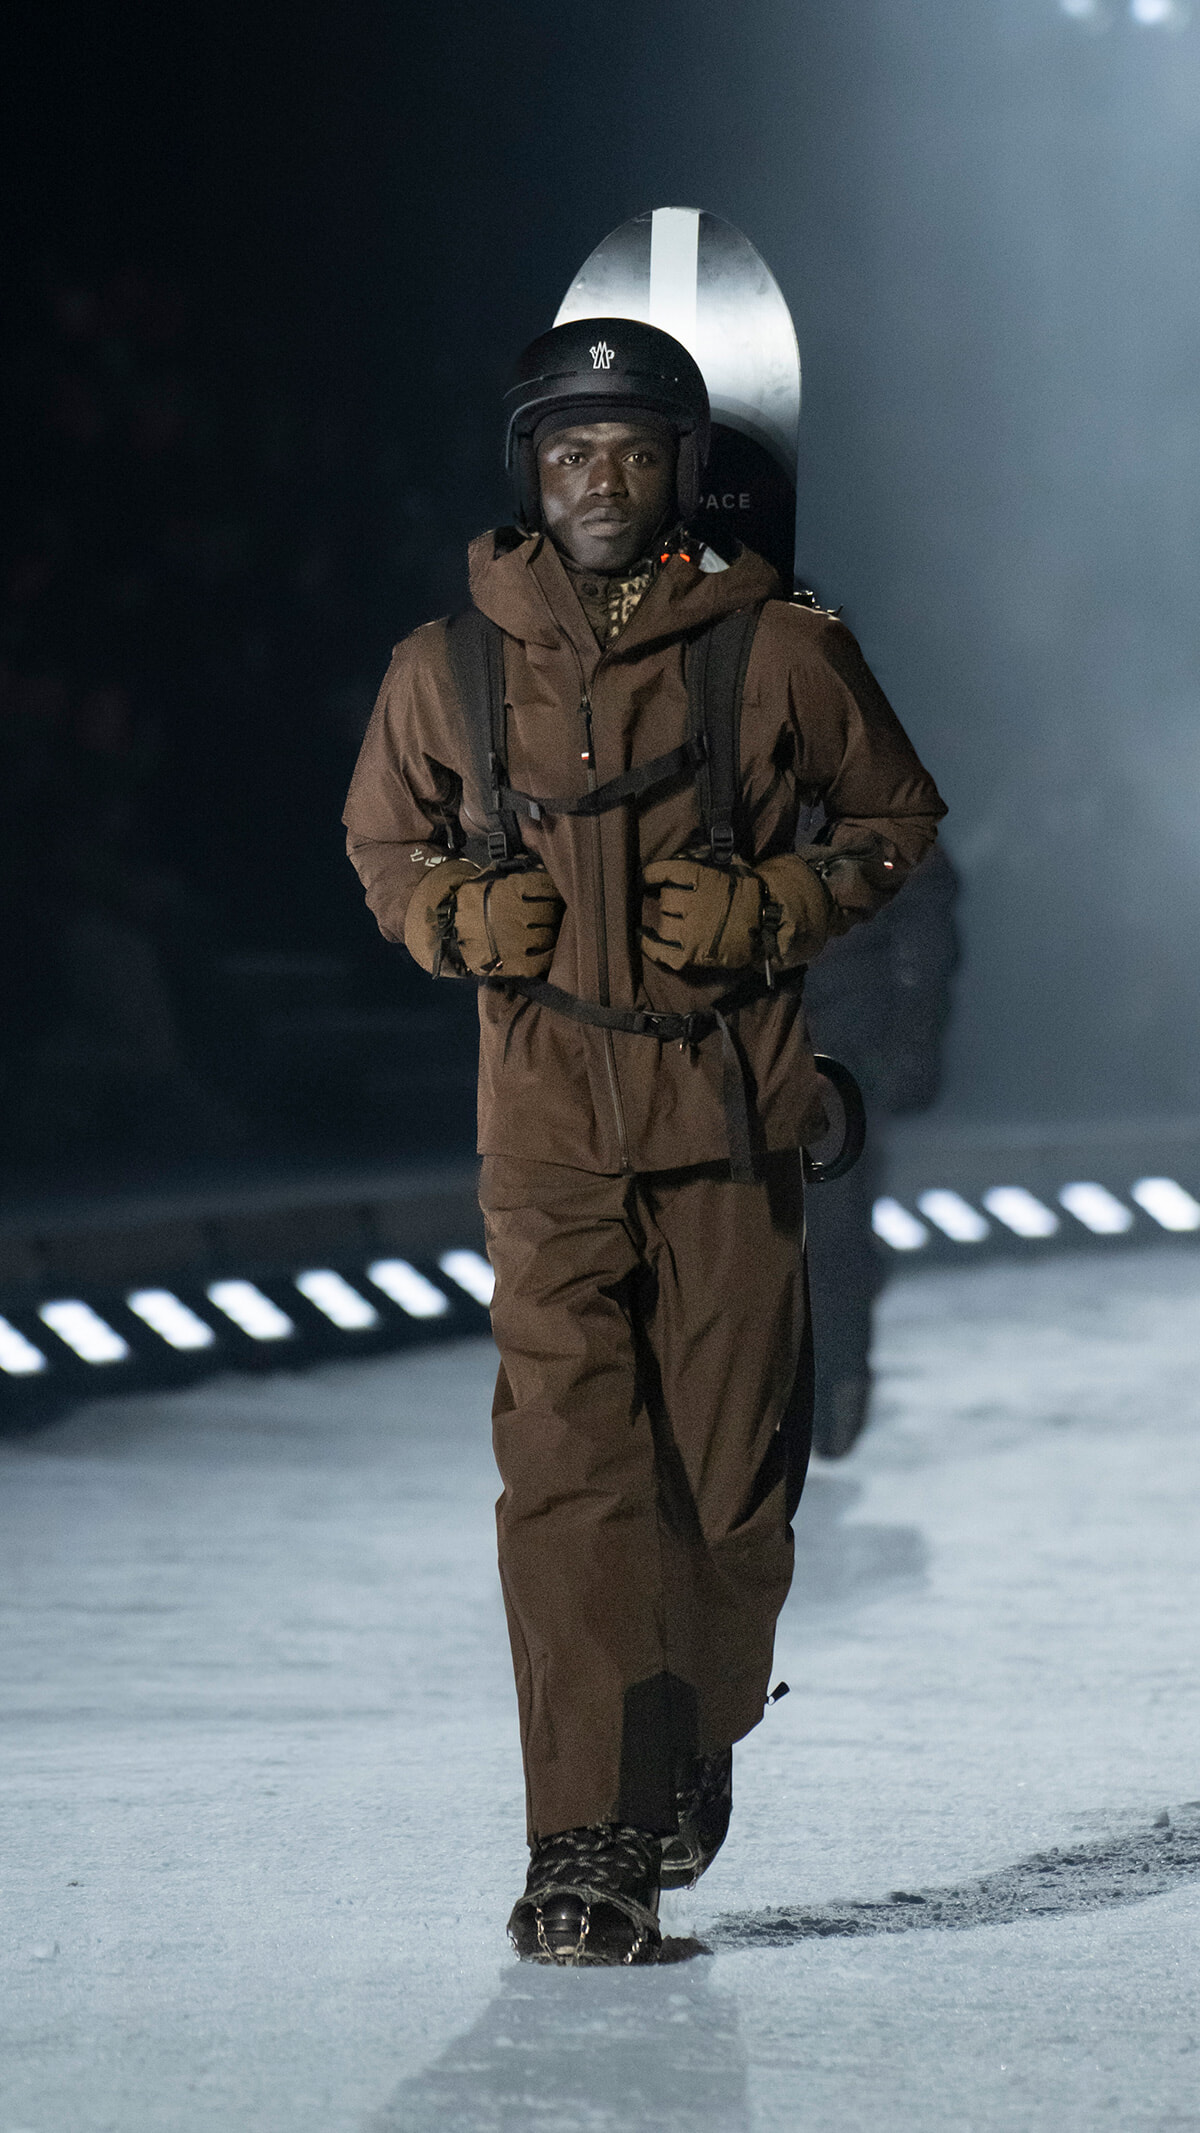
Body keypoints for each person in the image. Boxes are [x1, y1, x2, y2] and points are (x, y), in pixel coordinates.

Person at [344, 318, 946, 1965]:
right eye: (568, 452)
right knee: (570, 1473)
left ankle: (691, 1730)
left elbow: (898, 818)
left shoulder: (784, 650)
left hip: (729, 1116)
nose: (597, 479)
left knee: (730, 1497)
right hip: (545, 1131)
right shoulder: (446, 664)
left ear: (683, 468)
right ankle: (589, 1832)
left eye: (628, 450)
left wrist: (781, 901)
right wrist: (455, 912)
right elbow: (384, 840)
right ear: (528, 474)